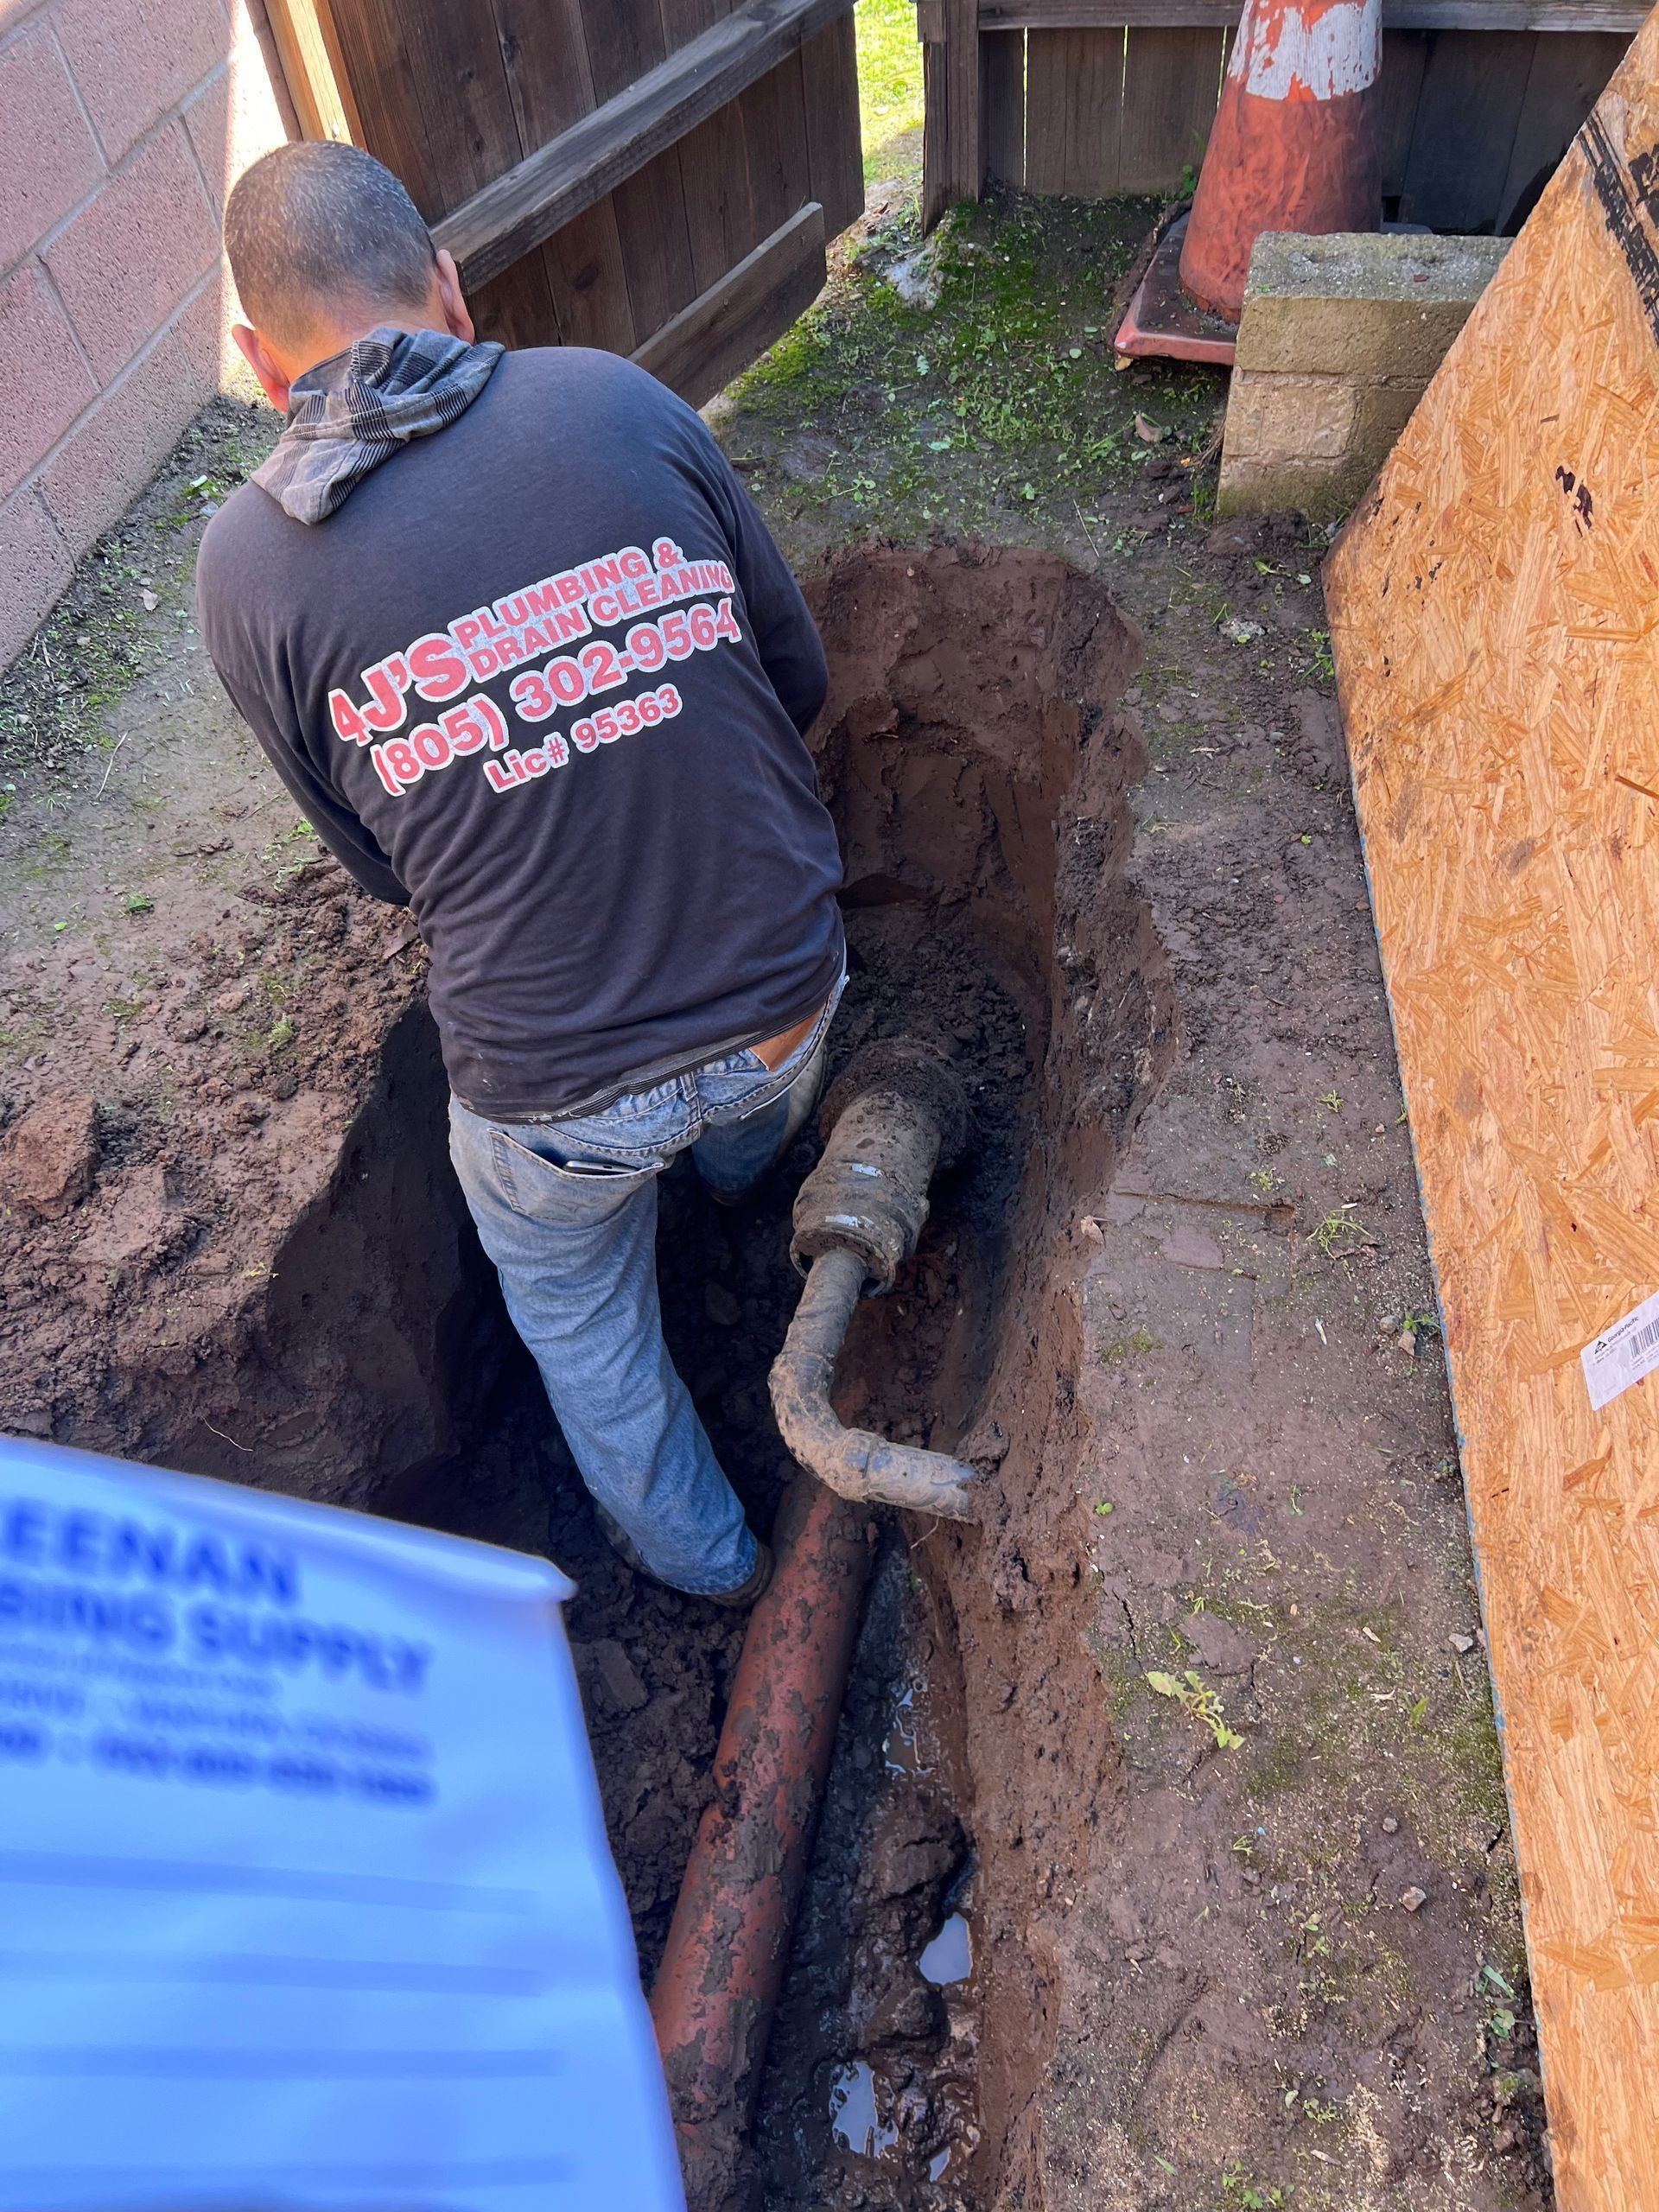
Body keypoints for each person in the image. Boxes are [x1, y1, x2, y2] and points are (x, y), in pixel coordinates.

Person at [196, 141, 848, 1607]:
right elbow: (794, 677)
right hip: (786, 996)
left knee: (586, 1328)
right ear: (448, 285)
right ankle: (740, 1184)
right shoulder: (618, 399)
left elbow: (378, 865)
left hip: (556, 1099)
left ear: (256, 359)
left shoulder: (246, 567)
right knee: (744, 1104)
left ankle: (710, 1570)